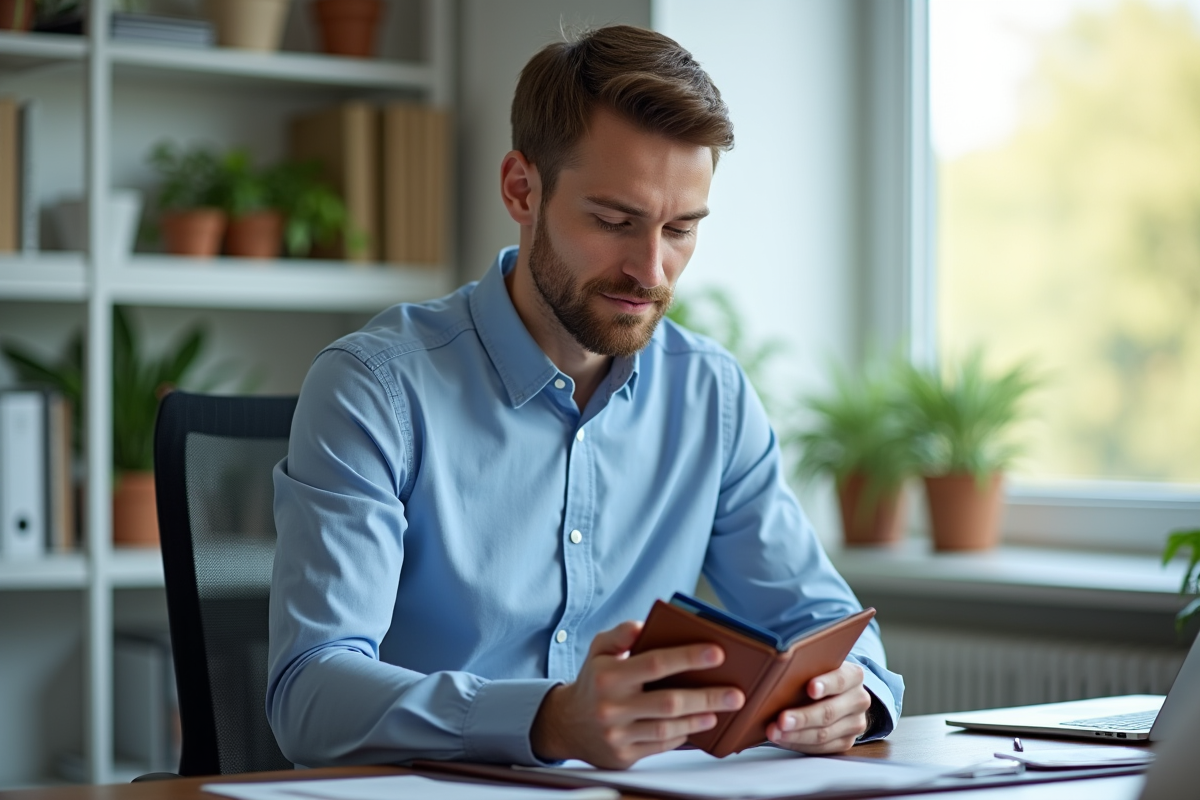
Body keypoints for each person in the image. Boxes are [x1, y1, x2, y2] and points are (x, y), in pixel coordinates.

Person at [267, 24, 903, 770]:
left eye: (681, 230)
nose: (652, 270)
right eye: (614, 221)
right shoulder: (375, 389)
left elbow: (826, 622)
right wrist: (547, 721)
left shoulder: (711, 397)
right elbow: (309, 693)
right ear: (521, 188)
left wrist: (853, 695)